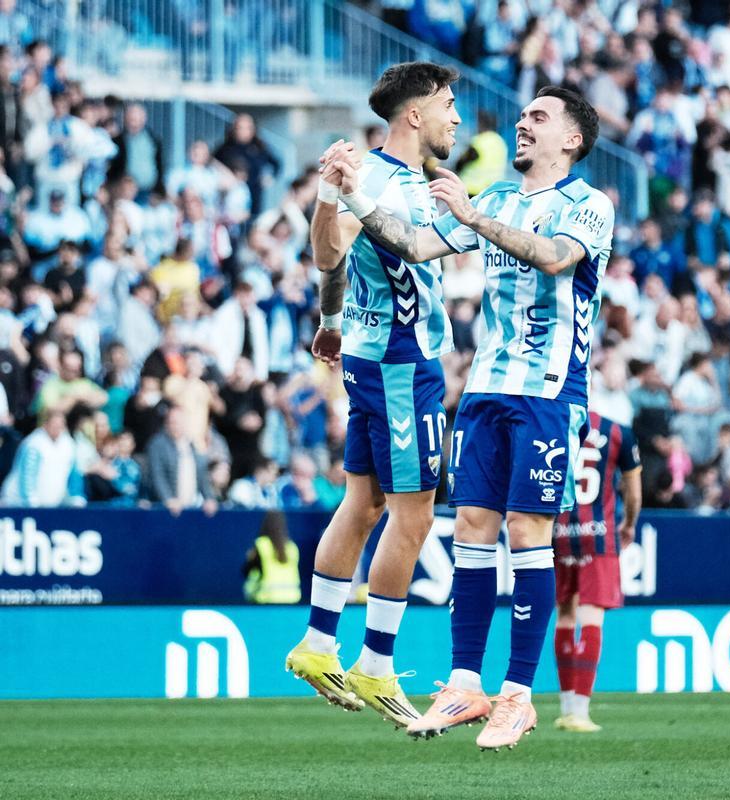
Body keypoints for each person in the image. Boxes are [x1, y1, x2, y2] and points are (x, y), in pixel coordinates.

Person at [328, 85, 612, 750]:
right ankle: (464, 685)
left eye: (539, 117)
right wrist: (356, 196)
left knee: (527, 530)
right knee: (473, 529)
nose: (523, 123)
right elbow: (415, 244)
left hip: (549, 392)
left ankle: (517, 696)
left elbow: (554, 257)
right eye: (523, 114)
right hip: (484, 388)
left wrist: (472, 217)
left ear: (572, 139)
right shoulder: (498, 197)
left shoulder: (589, 204)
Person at [285, 62, 462, 729]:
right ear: (415, 114)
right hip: (401, 363)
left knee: (362, 505)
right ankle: (377, 661)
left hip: (366, 354)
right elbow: (358, 248)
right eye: (448, 105)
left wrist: (331, 320)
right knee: (413, 517)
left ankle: (317, 643)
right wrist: (334, 197)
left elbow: (330, 260)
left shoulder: (387, 177)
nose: (456, 118)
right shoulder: (386, 180)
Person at [552, 411, 642, 733]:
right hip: (600, 535)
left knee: (565, 616)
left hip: (560, 531)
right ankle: (580, 711)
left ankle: (565, 708)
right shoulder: (617, 431)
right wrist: (629, 523)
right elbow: (633, 492)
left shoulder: (555, 423)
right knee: (591, 618)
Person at [243, 510, 301, 604]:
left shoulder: (261, 544)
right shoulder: (292, 547)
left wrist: (250, 558)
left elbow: (246, 571)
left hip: (268, 599)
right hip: (292, 598)